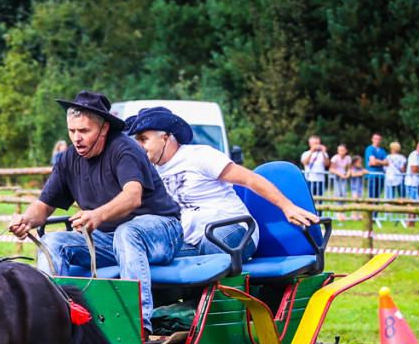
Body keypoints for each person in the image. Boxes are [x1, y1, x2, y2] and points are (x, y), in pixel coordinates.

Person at [9, 91, 183, 333]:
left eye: (84, 131)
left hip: (161, 231)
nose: (76, 138)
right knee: (52, 241)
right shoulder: (68, 159)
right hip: (110, 240)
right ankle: (49, 326)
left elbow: (133, 196)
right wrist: (26, 219)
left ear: (103, 129)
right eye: (72, 131)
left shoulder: (125, 148)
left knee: (127, 233)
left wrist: (97, 215)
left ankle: (138, 326)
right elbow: (44, 205)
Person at [127, 107, 320, 263]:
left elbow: (250, 179)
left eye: (143, 139)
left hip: (233, 231)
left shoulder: (199, 156)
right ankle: (165, 311)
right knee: (152, 255)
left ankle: (207, 306)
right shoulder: (151, 173)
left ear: (165, 137)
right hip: (193, 242)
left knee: (213, 242)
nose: (139, 146)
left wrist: (287, 206)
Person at [365, 133, 388, 199]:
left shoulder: (383, 150)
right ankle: (371, 208)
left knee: (378, 195)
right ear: (372, 139)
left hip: (381, 175)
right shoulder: (370, 149)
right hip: (372, 175)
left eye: (379, 139)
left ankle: (376, 208)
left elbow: (387, 163)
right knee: (372, 195)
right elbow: (373, 162)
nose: (377, 141)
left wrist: (376, 161)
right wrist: (381, 162)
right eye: (375, 139)